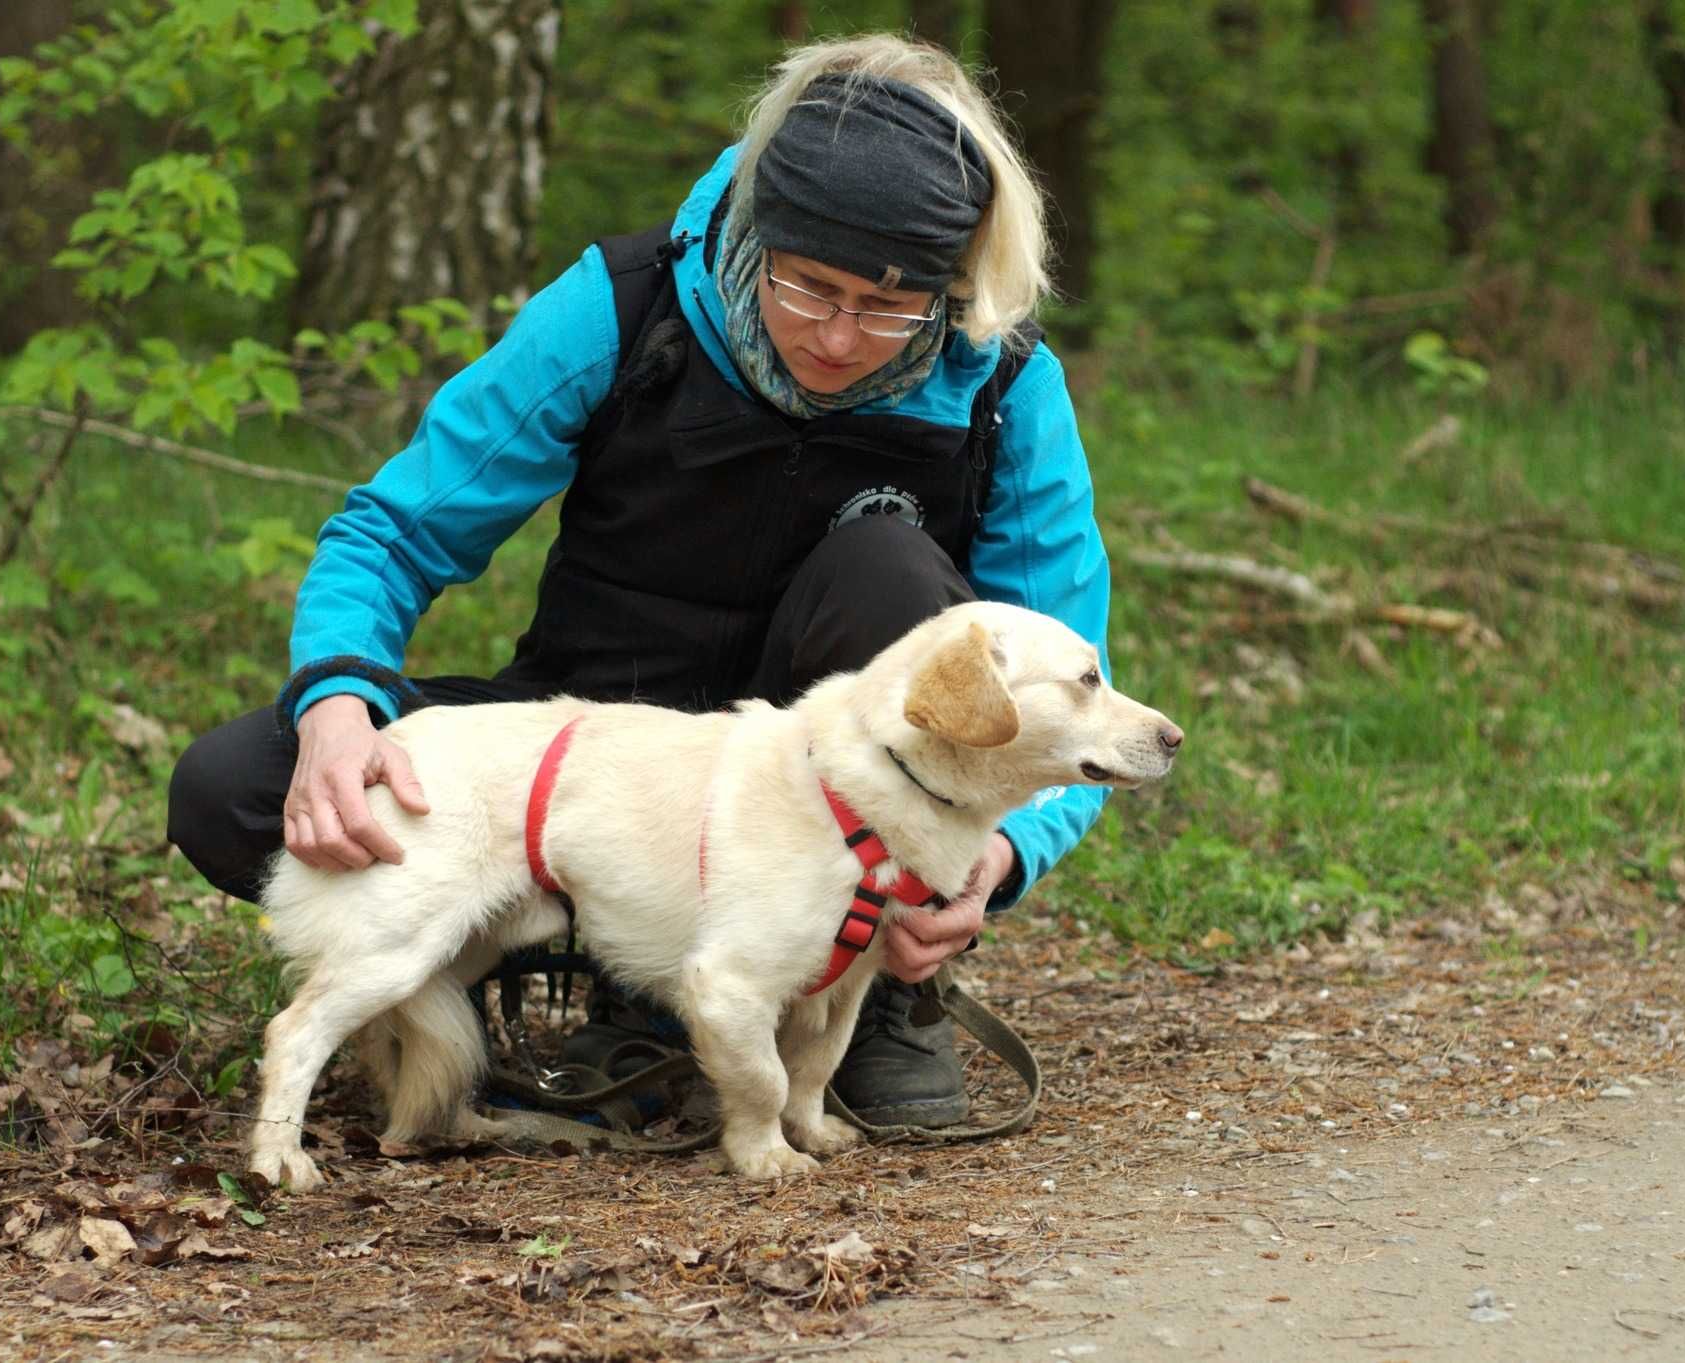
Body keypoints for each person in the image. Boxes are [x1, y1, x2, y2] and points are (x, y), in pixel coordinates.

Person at [168, 32, 1114, 1130]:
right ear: (758, 229)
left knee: (890, 571)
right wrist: (338, 703)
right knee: (238, 785)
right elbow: (392, 531)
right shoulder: (622, 306)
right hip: (592, 745)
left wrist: (994, 860)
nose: (841, 337)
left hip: (820, 808)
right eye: (808, 288)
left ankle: (885, 992)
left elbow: (1070, 689)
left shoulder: (1001, 386)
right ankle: (606, 952)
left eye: (890, 307)